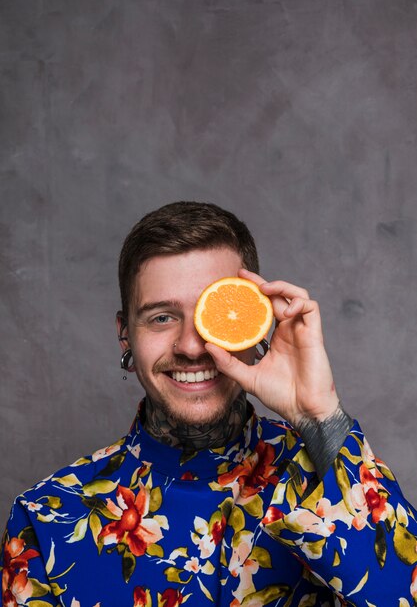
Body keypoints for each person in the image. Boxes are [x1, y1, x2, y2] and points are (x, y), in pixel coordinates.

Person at [1, 201, 416, 607]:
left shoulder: (330, 480)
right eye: (162, 317)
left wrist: (320, 416)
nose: (191, 346)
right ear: (126, 335)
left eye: (211, 313)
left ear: (254, 324)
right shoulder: (46, 520)